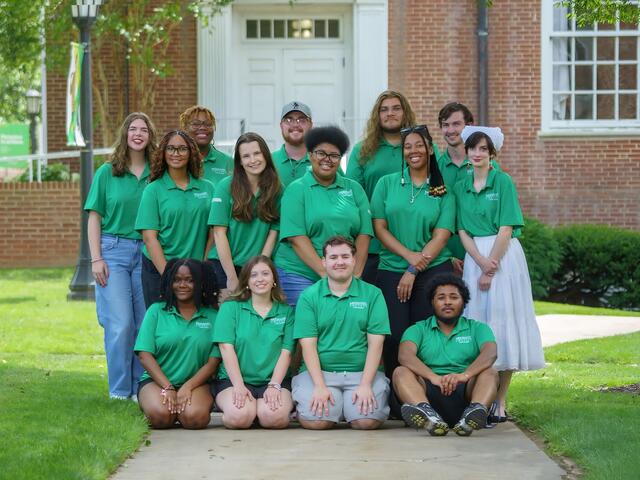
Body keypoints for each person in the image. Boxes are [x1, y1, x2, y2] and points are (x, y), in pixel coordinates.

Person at [454, 126, 544, 422]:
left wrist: (491, 264)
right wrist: (479, 262)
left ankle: (500, 401)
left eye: (483, 149)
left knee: (503, 326)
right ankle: (481, 396)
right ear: (466, 152)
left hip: (503, 256)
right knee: (477, 323)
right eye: (473, 149)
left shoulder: (502, 181)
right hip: (474, 257)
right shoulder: (460, 184)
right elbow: (462, 230)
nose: (477, 154)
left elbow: (506, 227)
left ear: (493, 154)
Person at [371, 124, 455, 379]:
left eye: (419, 145)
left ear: (430, 149)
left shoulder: (442, 191)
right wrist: (409, 258)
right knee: (394, 334)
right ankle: (397, 397)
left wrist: (413, 269)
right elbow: (379, 227)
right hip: (391, 270)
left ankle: (425, 392)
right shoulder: (387, 184)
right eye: (407, 147)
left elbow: (441, 237)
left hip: (432, 271)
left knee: (424, 334)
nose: (413, 151)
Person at [85, 112, 157, 400]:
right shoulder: (107, 172)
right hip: (112, 251)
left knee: (143, 325)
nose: (138, 134)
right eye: (133, 129)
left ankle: (141, 391)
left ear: (151, 137)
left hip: (147, 252)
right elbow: (94, 217)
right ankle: (119, 391)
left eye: (144, 130)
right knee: (121, 323)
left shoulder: (157, 173)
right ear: (125, 134)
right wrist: (96, 258)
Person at [292, 236, 391, 430]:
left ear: (354, 260)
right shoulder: (309, 296)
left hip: (362, 374)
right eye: (333, 257)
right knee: (318, 422)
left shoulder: (373, 294)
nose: (339, 262)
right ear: (324, 261)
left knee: (366, 422)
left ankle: (346, 406)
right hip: (320, 374)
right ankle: (339, 405)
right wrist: (320, 386)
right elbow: (308, 346)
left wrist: (365, 385)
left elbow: (376, 344)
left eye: (345, 256)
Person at [274, 126, 373, 306]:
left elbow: (364, 234)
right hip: (299, 274)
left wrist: (355, 275)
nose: (327, 160)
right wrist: (327, 275)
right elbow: (296, 237)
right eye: (321, 153)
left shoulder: (354, 189)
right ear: (310, 155)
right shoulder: (296, 190)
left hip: (344, 275)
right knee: (307, 329)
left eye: (334, 155)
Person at [393, 274, 498, 436]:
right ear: (432, 302)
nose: (447, 302)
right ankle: (429, 416)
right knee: (400, 372)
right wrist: (433, 377)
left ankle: (472, 417)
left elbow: (491, 353)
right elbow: (405, 356)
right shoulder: (417, 329)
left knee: (490, 372)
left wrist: (464, 375)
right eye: (441, 297)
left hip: (466, 392)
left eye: (454, 297)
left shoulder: (478, 328)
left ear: (463, 302)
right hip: (427, 391)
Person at [135, 259, 220, 429]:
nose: (182, 285)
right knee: (161, 417)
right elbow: (144, 355)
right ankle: (157, 405)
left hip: (197, 383)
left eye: (190, 280)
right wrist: (168, 387)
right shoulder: (156, 311)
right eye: (177, 280)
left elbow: (213, 363)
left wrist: (187, 387)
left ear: (201, 283)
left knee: (194, 419)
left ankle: (182, 410)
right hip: (157, 381)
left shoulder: (213, 316)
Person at [212, 256, 295, 429]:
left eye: (265, 274)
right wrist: (239, 386)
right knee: (239, 417)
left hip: (273, 380)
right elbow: (226, 348)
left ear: (274, 279)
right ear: (247, 282)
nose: (260, 279)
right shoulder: (230, 308)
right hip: (234, 380)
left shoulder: (286, 312)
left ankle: (259, 411)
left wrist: (274, 385)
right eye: (254, 275)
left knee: (274, 418)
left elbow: (286, 352)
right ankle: (251, 411)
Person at [135, 130, 215, 307]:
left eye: (182, 149)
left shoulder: (208, 188)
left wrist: (202, 266)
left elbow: (214, 232)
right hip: (159, 270)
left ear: (191, 152)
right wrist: (170, 277)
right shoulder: (153, 190)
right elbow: (149, 238)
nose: (176, 154)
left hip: (197, 271)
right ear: (163, 153)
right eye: (170, 148)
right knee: (163, 328)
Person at [346, 90, 418, 284]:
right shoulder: (362, 150)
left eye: (396, 108)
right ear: (377, 116)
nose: (390, 113)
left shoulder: (421, 148)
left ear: (405, 113)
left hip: (415, 244)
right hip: (373, 247)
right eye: (384, 110)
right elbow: (353, 195)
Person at [207, 132, 282, 299]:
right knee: (228, 317)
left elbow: (273, 232)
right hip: (224, 266)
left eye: (257, 153)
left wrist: (260, 269)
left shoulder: (276, 189)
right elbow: (219, 234)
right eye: (246, 156)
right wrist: (232, 278)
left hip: (256, 267)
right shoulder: (226, 186)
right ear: (239, 161)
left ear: (266, 155)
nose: (253, 160)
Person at [436, 102, 500, 272]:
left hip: (483, 255)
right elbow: (431, 215)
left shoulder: (490, 168)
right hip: (445, 257)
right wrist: (447, 255)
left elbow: (497, 215)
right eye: (445, 125)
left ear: (469, 126)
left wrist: (484, 258)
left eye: (456, 124)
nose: (450, 130)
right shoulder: (434, 169)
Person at [179, 105, 233, 187]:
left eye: (208, 124)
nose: (203, 127)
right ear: (185, 128)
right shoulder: (176, 160)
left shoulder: (228, 162)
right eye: (196, 124)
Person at [271, 101, 313, 187]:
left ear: (310, 125)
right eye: (288, 120)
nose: (295, 125)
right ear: (281, 126)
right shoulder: (268, 161)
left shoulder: (323, 160)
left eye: (301, 120)